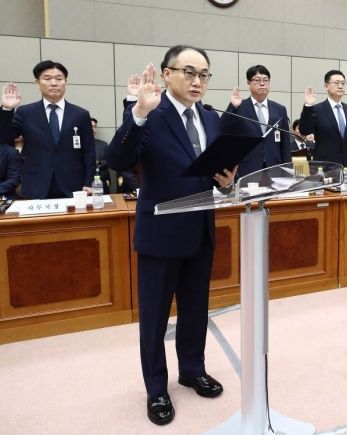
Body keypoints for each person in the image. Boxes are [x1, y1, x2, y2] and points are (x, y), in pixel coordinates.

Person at [107, 45, 234, 426]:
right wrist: (139, 113)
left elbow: (212, 171)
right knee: (156, 317)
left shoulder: (211, 119)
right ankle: (156, 389)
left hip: (200, 228)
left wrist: (226, 184)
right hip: (161, 231)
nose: (198, 82)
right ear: (167, 74)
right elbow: (117, 160)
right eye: (190, 72)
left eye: (204, 75)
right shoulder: (150, 114)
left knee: (196, 310)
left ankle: (192, 370)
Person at [0, 60, 95, 199]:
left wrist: (89, 182)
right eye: (47, 79)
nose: (54, 83)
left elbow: (89, 151)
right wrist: (7, 109)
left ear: (66, 82)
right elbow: (2, 138)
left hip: (73, 186)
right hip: (36, 185)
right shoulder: (25, 112)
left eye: (59, 78)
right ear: (37, 83)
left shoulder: (80, 114)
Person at [221, 65, 290, 178]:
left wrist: (287, 170)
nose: (262, 83)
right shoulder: (239, 106)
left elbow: (285, 143)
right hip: (247, 168)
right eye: (257, 80)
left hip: (275, 168)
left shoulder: (279, 109)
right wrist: (233, 106)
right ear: (248, 83)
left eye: (265, 80)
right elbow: (223, 129)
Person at [299, 69, 347, 176]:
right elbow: (304, 130)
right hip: (325, 167)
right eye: (336, 83)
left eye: (343, 83)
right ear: (326, 86)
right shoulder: (317, 109)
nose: (340, 86)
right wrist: (308, 106)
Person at [91, 117, 111, 192]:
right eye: (90, 126)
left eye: (94, 126)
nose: (93, 129)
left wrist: (98, 162)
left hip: (101, 180)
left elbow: (110, 161)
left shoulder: (103, 144)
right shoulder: (78, 145)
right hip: (84, 183)